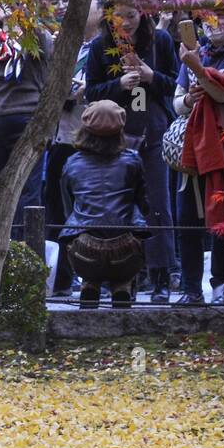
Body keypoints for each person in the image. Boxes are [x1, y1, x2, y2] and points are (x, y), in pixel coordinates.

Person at [85, 3, 178, 302]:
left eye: (133, 15)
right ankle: (120, 275)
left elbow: (175, 85)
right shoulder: (101, 46)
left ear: (144, 14)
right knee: (118, 204)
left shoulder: (160, 41)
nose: (126, 22)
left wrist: (151, 77)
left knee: (157, 203)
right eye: (119, 16)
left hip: (153, 129)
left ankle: (161, 274)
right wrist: (119, 84)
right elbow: (92, 91)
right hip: (117, 134)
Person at [173, 7, 224, 305]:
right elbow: (178, 102)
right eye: (206, 19)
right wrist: (187, 99)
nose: (213, 24)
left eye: (221, 17)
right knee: (187, 220)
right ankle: (190, 289)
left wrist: (196, 67)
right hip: (193, 151)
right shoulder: (195, 52)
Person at [58, 101, 150, 309]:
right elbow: (144, 205)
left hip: (83, 252)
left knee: (79, 224)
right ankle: (122, 287)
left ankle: (90, 284)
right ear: (120, 130)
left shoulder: (72, 163)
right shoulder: (132, 161)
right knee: (132, 223)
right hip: (126, 252)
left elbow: (68, 208)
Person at [0, 2, 53, 240]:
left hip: (27, 119)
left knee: (27, 191)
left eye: (19, 1)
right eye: (5, 2)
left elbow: (48, 53)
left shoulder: (39, 37)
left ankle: (24, 248)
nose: (11, 7)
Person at [45, 0, 102, 296]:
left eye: (79, 1)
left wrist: (87, 87)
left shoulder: (107, 48)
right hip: (60, 138)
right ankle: (62, 279)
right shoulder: (65, 44)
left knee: (85, 208)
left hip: (87, 139)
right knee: (57, 209)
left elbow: (128, 94)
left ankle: (92, 275)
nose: (70, 7)